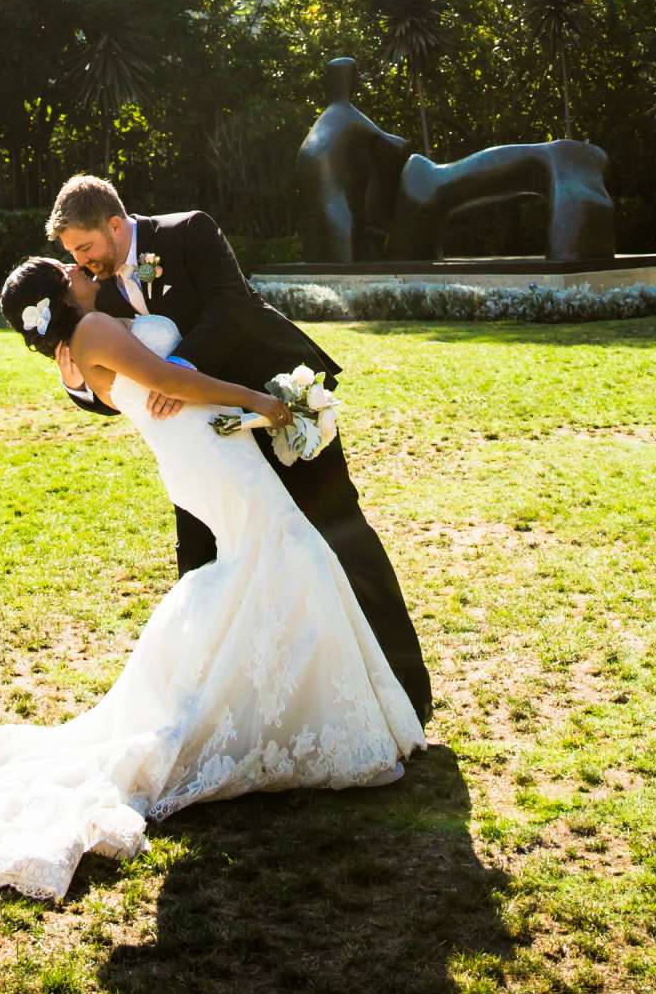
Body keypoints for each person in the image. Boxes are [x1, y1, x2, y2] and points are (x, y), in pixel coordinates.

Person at [0, 255, 423, 901]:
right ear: (63, 291)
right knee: (287, 550)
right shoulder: (93, 332)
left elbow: (156, 373)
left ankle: (260, 704)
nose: (81, 268)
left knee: (268, 559)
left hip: (194, 454)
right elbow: (165, 379)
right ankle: (262, 713)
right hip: (209, 452)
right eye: (70, 268)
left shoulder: (75, 349)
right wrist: (260, 401)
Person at [48, 174, 433, 725]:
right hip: (204, 445)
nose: (82, 264)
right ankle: (215, 716)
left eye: (85, 247)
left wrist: (176, 370)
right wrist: (76, 381)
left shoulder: (189, 233)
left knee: (338, 528)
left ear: (113, 225)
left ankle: (406, 687)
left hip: (273, 396)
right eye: (72, 256)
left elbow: (233, 306)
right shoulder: (97, 293)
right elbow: (117, 384)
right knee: (201, 561)